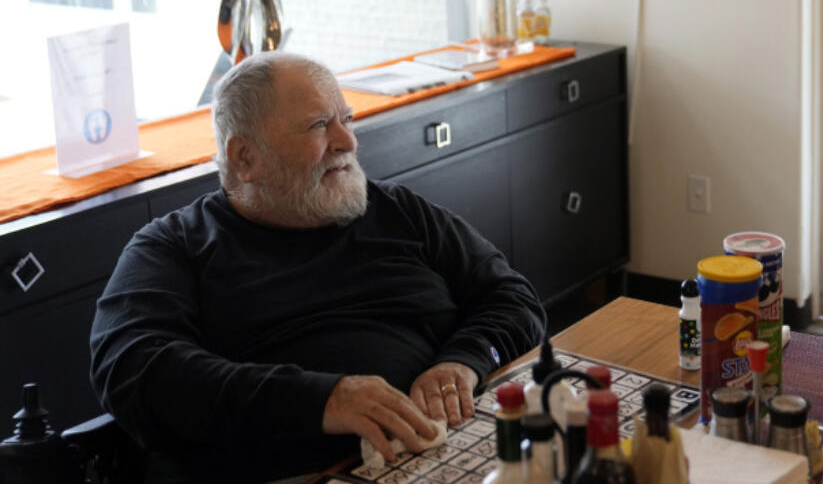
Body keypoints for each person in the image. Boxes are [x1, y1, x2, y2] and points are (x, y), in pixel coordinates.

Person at [90, 51, 546, 482]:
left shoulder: (397, 210)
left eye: (345, 119)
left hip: (452, 447)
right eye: (318, 125)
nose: (348, 141)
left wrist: (464, 361)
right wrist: (324, 400)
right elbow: (133, 369)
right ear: (245, 157)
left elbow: (514, 300)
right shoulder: (173, 247)